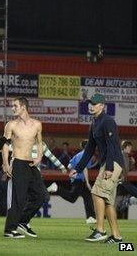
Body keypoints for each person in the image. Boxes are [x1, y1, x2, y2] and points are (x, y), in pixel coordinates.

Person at [70, 94, 125, 244]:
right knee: (107, 201)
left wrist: (109, 168)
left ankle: (100, 230)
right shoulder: (94, 123)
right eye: (90, 103)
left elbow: (113, 146)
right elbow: (89, 149)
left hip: (112, 163)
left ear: (102, 106)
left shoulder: (108, 121)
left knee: (96, 193)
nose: (91, 105)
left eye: (94, 103)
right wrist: (79, 168)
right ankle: (117, 237)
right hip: (107, 163)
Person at [1, 97, 46, 239]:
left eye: (15, 106)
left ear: (23, 107)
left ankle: (23, 220)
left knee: (41, 195)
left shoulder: (37, 124)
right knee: (18, 198)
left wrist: (39, 157)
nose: (12, 108)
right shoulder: (11, 125)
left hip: (31, 164)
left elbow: (39, 142)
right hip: (18, 162)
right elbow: (4, 145)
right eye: (12, 106)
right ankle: (9, 230)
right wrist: (6, 163)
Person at [47, 140, 96, 224]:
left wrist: (73, 172)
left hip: (77, 179)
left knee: (88, 198)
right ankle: (56, 188)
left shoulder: (78, 155)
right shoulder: (85, 155)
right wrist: (87, 182)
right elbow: (84, 169)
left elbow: (70, 165)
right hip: (79, 179)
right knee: (72, 198)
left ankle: (91, 217)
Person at [116, 141, 137, 211]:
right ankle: (126, 202)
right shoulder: (120, 155)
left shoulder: (127, 157)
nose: (130, 148)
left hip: (125, 181)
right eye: (129, 147)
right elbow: (119, 167)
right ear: (124, 147)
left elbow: (130, 170)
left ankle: (125, 203)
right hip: (120, 181)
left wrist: (132, 163)